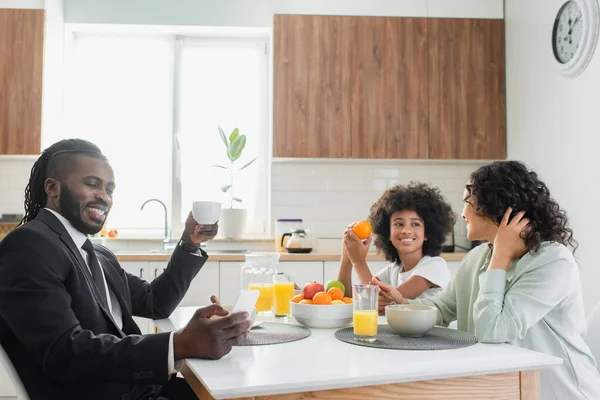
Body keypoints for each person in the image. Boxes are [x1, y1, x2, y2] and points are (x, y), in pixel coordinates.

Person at [0, 139, 252, 400]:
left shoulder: (97, 254)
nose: (105, 197)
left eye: (110, 189)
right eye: (92, 184)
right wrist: (179, 343)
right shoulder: (29, 245)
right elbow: (64, 353)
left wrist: (190, 241)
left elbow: (156, 303)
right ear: (52, 187)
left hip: (142, 389)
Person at [373, 161, 600, 400]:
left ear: (495, 204)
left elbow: (492, 330)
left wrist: (501, 254)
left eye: (467, 202)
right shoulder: (477, 256)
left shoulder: (553, 261)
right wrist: (403, 303)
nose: (462, 213)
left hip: (560, 392)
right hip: (502, 389)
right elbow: (443, 307)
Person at [338, 182, 455, 313]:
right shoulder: (393, 270)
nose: (406, 230)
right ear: (387, 233)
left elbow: (384, 304)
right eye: (399, 224)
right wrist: (347, 258)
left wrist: (358, 262)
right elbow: (348, 301)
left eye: (415, 224)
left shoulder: (435, 266)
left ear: (427, 233)